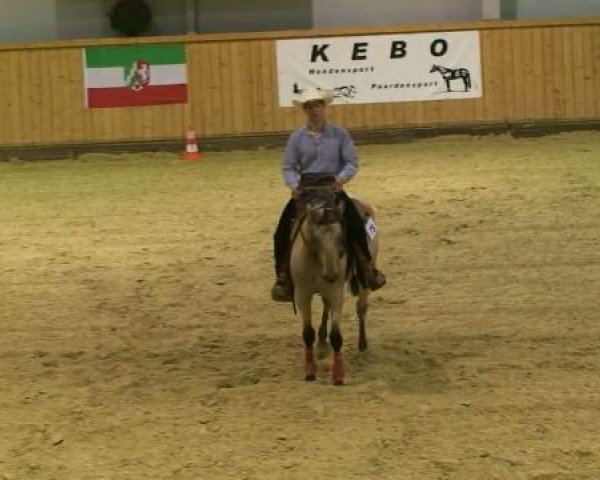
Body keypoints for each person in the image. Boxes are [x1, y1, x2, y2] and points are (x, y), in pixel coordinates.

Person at [270, 87, 386, 302]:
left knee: (355, 223)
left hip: (332, 189)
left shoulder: (340, 134)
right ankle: (283, 277)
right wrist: (294, 185)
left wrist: (341, 179)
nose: (313, 110)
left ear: (324, 107)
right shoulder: (296, 138)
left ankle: (367, 268)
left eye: (317, 106)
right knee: (281, 231)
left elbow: (351, 162)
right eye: (309, 107)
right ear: (305, 110)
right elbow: (288, 166)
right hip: (305, 191)